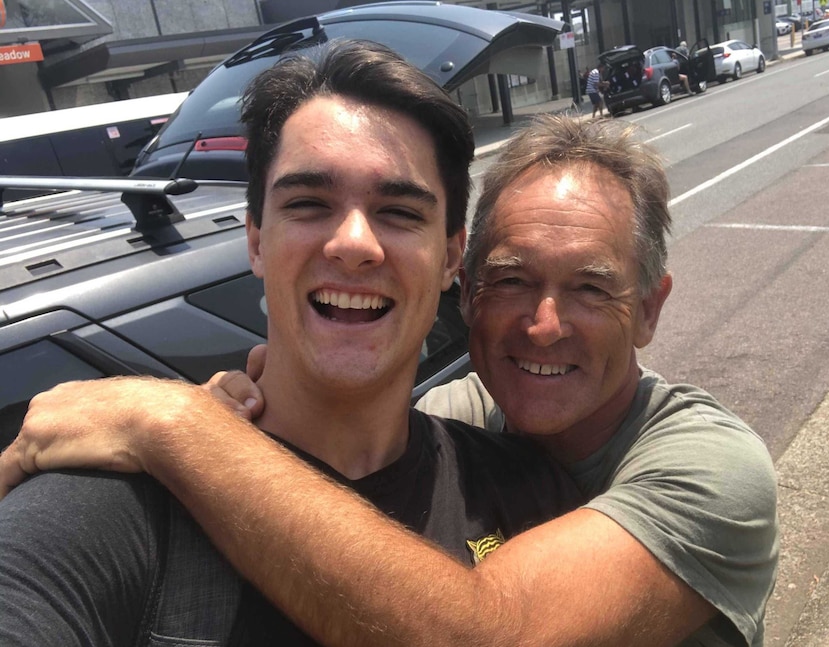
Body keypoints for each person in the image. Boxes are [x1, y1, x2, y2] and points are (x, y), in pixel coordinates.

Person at [1, 117, 780, 645]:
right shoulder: (453, 418)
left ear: (648, 310)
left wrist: (170, 425)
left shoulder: (712, 470)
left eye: (590, 288)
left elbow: (490, 631)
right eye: (511, 280)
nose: (544, 326)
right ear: (465, 287)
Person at [0, 40, 585, 646]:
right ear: (256, 241)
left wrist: (169, 420)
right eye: (309, 203)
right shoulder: (101, 517)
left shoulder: (528, 492)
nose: (354, 242)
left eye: (400, 212)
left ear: (452, 256)